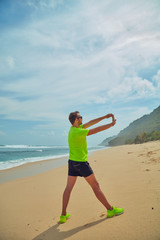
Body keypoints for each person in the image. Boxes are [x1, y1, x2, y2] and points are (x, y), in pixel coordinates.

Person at [60, 111, 124, 223]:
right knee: (96, 186)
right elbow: (96, 129)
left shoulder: (73, 129)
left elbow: (91, 123)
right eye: (80, 117)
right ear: (76, 120)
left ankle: (63, 215)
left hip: (72, 163)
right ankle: (110, 210)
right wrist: (110, 125)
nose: (82, 118)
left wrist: (104, 117)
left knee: (68, 188)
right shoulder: (79, 132)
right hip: (81, 163)